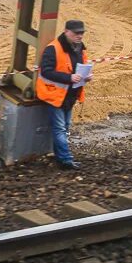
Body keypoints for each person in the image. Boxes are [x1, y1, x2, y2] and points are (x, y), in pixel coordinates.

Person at [36, 20, 90, 170]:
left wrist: (86, 76)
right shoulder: (53, 49)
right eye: (76, 33)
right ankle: (65, 160)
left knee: (64, 127)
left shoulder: (79, 48)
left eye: (82, 33)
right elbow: (46, 71)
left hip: (69, 96)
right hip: (55, 96)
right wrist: (69, 78)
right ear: (66, 32)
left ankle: (60, 156)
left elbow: (81, 67)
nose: (80, 36)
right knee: (60, 128)